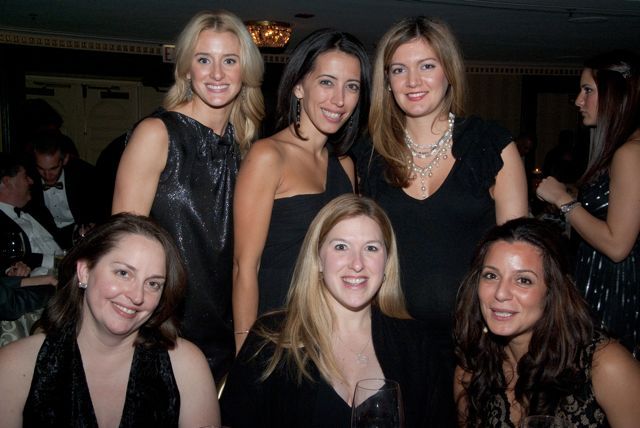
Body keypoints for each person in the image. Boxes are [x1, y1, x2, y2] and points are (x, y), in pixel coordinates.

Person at [354, 16, 527, 351]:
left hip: (477, 337)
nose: (412, 81)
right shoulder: (368, 156)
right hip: (393, 336)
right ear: (387, 81)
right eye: (399, 69)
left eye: (427, 66)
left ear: (449, 71)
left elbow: (518, 255)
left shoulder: (489, 145)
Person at [112, 10, 264, 382]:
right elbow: (121, 247)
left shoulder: (247, 148)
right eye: (204, 60)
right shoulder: (156, 134)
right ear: (186, 70)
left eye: (229, 61)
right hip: (162, 331)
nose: (217, 74)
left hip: (227, 332)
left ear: (245, 71)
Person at [221, 194, 454, 427]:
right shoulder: (270, 341)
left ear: (387, 262)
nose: (357, 264)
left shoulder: (418, 346)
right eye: (341, 247)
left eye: (371, 248)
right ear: (318, 259)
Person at [0, 213, 220, 427]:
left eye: (153, 284)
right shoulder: (16, 366)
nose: (137, 296)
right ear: (84, 272)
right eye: (123, 273)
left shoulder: (185, 366)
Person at [232, 29, 370, 352]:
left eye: (351, 86)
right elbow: (244, 268)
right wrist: (244, 353)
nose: (339, 99)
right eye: (326, 82)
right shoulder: (268, 156)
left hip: (330, 331)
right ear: (298, 86)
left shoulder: (345, 166)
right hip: (276, 332)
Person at [454, 218, 640, 427]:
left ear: (552, 292)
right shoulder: (472, 369)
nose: (500, 293)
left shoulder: (607, 366)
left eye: (523, 280)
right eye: (491, 275)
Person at [536, 50, 640, 356]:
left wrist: (563, 200)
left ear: (616, 94)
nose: (579, 101)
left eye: (588, 90)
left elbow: (617, 245)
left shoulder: (630, 153)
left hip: (616, 290)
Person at [29, 131, 101, 249]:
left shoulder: (85, 176)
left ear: (65, 159)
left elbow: (97, 214)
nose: (47, 175)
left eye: (53, 168)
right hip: (45, 240)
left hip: (79, 238)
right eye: (41, 169)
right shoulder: (29, 179)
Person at [0, 153, 62, 275]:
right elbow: (12, 259)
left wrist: (79, 232)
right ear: (7, 182)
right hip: (42, 280)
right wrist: (58, 261)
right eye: (25, 177)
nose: (31, 181)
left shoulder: (36, 208)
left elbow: (59, 235)